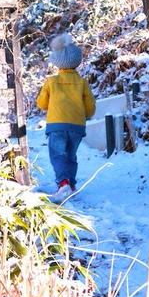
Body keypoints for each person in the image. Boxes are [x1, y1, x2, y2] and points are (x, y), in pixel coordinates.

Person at [37, 33, 96, 202]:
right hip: (77, 126)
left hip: (57, 125)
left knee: (58, 155)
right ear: (77, 62)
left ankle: (63, 183)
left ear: (57, 62)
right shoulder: (82, 82)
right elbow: (90, 106)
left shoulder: (51, 82)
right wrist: (85, 115)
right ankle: (70, 184)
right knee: (71, 155)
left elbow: (41, 103)